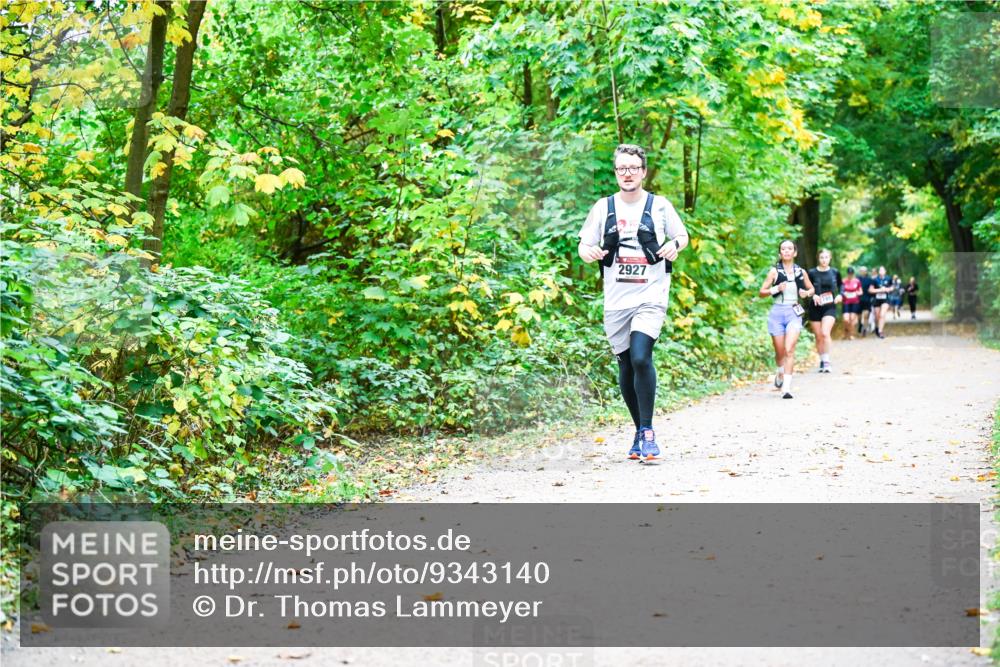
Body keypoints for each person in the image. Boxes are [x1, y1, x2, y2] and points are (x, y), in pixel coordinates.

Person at [578, 143, 689, 461]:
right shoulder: (603, 207)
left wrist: (673, 246)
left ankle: (649, 431)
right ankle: (639, 430)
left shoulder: (660, 206)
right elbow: (584, 246)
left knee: (641, 357)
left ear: (643, 171)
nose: (627, 173)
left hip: (651, 295)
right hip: (616, 300)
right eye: (621, 168)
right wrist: (590, 254)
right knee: (626, 364)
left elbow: (682, 237)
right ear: (616, 173)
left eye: (633, 168)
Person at [758, 239, 815, 399]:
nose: (787, 251)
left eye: (790, 248)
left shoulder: (800, 271)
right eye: (784, 249)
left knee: (789, 349)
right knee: (780, 352)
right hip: (777, 313)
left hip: (793, 313)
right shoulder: (774, 272)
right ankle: (780, 371)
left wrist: (807, 293)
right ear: (780, 253)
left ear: (795, 252)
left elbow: (811, 288)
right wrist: (775, 288)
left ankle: (787, 388)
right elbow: (761, 292)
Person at [807, 249, 842, 373]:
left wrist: (840, 295)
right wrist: (813, 295)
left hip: (830, 306)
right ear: (818, 258)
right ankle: (822, 360)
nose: (824, 260)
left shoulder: (835, 272)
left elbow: (841, 286)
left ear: (830, 258)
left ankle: (827, 361)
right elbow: (807, 287)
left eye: (826, 257)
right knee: (818, 336)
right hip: (815, 307)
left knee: (825, 333)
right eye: (822, 257)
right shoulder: (811, 272)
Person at [869, 265, 892, 338]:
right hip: (877, 300)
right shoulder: (875, 279)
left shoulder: (888, 278)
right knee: (877, 316)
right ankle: (877, 327)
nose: (881, 272)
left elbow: (892, 287)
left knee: (882, 314)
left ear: (885, 271)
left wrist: (888, 289)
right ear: (879, 272)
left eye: (883, 270)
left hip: (885, 299)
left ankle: (880, 331)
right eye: (880, 270)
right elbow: (870, 290)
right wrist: (879, 290)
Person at [841, 267, 862, 340]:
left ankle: (851, 334)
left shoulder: (857, 281)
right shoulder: (843, 281)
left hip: (855, 302)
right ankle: (846, 331)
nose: (850, 275)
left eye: (851, 274)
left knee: (852, 319)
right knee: (846, 319)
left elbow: (861, 291)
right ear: (847, 274)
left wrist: (857, 293)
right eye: (849, 274)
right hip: (846, 302)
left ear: (853, 274)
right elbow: (841, 291)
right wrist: (844, 293)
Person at [857, 266, 872, 336]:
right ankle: (860, 323)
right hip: (858, 300)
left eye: (864, 270)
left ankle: (864, 328)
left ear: (866, 272)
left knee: (866, 315)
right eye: (861, 270)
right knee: (859, 315)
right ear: (859, 271)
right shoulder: (856, 279)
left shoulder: (870, 280)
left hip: (867, 299)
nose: (862, 272)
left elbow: (873, 288)